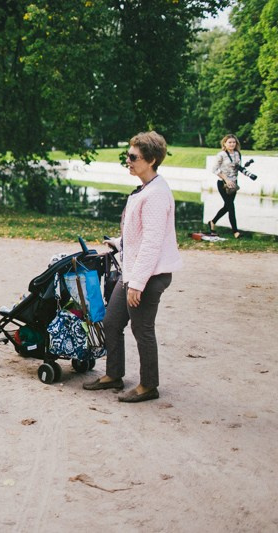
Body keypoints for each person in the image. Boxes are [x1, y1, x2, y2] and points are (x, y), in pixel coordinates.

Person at [83, 131, 182, 403]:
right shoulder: (146, 188)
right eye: (127, 155)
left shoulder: (156, 194)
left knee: (142, 329)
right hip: (134, 271)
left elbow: (152, 243)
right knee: (112, 322)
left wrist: (137, 284)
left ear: (151, 160)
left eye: (133, 156)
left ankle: (148, 386)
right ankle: (114, 375)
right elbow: (140, 235)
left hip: (148, 275)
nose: (127, 160)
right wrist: (119, 243)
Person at [209, 134, 243, 239]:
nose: (232, 144)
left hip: (233, 184)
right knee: (231, 206)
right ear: (224, 143)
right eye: (230, 142)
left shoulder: (237, 154)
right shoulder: (221, 155)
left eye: (234, 142)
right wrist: (226, 179)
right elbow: (214, 169)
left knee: (227, 206)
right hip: (223, 183)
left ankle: (212, 222)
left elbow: (237, 167)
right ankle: (235, 231)